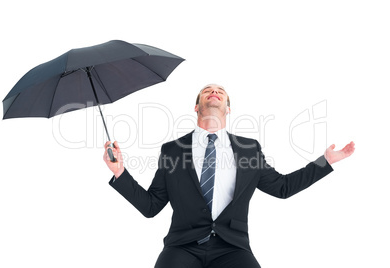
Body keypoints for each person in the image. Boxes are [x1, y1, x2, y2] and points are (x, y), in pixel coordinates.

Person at [103, 84, 355, 268]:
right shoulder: (173, 150)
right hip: (182, 247)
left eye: (220, 91)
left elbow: (283, 187)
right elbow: (151, 206)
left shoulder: (248, 148)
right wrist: (120, 173)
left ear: (228, 108)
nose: (214, 91)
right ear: (196, 106)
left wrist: (326, 163)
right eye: (207, 90)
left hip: (232, 248)